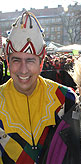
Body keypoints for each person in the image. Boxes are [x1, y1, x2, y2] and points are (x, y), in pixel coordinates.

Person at [0, 11, 75, 163]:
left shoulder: (65, 98)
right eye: (16, 60)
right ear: (8, 63)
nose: (23, 70)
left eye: (30, 61)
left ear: (41, 63)